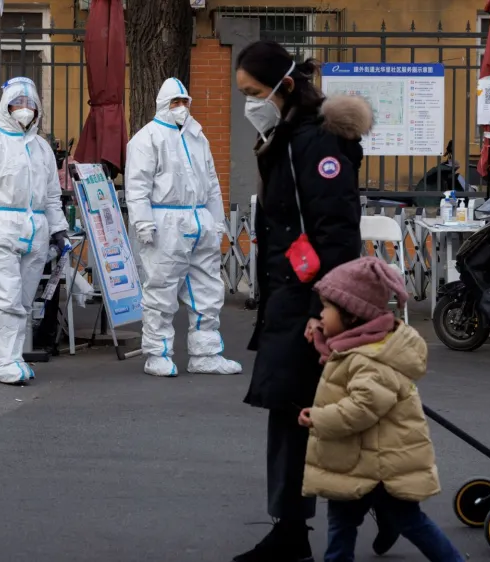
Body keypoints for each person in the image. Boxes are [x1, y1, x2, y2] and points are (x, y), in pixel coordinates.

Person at [233, 40, 373, 562]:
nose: (249, 102)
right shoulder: (288, 136)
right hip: (292, 296)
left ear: (284, 87)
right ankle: (359, 511)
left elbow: (336, 230)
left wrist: (328, 308)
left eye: (253, 92)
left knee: (299, 411)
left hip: (308, 299)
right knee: (300, 410)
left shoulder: (313, 143)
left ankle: (295, 532)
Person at [300, 257, 464, 562]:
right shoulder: (360, 346)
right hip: (360, 460)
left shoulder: (370, 360)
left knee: (406, 521)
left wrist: (319, 419)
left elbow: (361, 408)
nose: (321, 314)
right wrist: (322, 332)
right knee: (344, 520)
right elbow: (338, 358)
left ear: (351, 315)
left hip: (381, 465)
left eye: (326, 308)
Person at [0, 77, 70, 384]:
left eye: (30, 104)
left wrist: (58, 229)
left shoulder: (42, 149)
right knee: (6, 297)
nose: (24, 109)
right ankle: (6, 361)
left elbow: (50, 195)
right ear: (6, 107)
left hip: (35, 232)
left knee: (21, 301)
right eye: (17, 103)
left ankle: (10, 358)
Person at [125, 77, 242, 377]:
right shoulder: (147, 138)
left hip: (198, 219)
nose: (181, 108)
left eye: (184, 102)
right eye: (175, 103)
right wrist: (143, 222)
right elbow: (136, 187)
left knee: (207, 290)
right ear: (163, 106)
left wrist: (217, 223)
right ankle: (157, 354)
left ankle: (206, 354)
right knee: (160, 290)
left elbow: (212, 184)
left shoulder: (196, 136)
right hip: (165, 222)